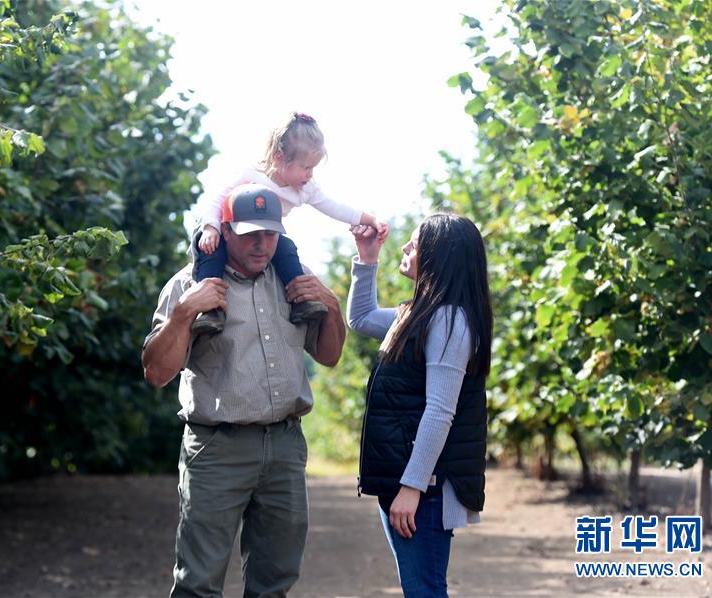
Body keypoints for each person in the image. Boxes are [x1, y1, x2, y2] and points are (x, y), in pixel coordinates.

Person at [142, 184, 347, 597]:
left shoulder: (296, 283)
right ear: (225, 230)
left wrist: (333, 307)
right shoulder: (189, 286)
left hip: (286, 446)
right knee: (198, 583)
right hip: (218, 448)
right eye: (251, 233)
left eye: (270, 234)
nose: (262, 244)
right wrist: (183, 314)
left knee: (275, 582)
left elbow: (328, 356)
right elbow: (157, 373)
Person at [347, 214, 493, 597]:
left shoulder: (448, 319)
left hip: (422, 488)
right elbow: (360, 318)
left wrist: (412, 488)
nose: (406, 248)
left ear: (438, 256)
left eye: (415, 243)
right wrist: (366, 259)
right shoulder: (417, 315)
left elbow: (440, 411)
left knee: (425, 590)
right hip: (404, 481)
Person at [190, 112, 389, 335]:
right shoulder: (252, 176)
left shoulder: (305, 189)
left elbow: (335, 207)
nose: (310, 174)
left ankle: (300, 300)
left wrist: (370, 220)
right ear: (278, 157)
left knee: (286, 248)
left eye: (313, 168)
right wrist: (210, 227)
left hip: (263, 234)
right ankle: (209, 309)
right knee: (210, 252)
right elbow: (217, 200)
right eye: (305, 167)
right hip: (226, 229)